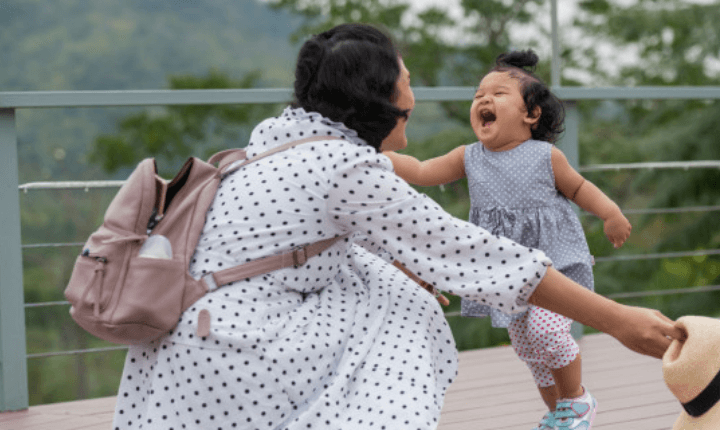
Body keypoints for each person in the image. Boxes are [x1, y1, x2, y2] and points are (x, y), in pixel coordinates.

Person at [111, 23, 681, 430]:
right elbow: (475, 256)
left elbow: (323, 242)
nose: (414, 86)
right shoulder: (346, 167)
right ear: (380, 102)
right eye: (404, 81)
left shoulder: (275, 138)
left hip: (174, 370)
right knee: (407, 308)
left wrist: (402, 263)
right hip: (235, 370)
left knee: (390, 280)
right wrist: (617, 321)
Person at [386, 49, 632, 429]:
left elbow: (580, 189)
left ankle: (578, 398)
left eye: (498, 94)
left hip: (554, 262)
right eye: (479, 95)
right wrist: (375, 155)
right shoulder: (469, 157)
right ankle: (560, 416)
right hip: (503, 268)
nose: (484, 99)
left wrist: (611, 214)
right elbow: (420, 170)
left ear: (530, 115)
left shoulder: (545, 156)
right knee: (527, 347)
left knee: (545, 331)